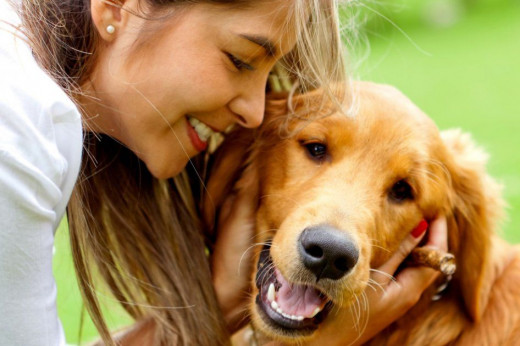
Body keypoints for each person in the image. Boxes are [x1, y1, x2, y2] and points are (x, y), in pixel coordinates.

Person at [0, 0, 448, 345]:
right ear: (118, 5)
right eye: (239, 59)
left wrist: (216, 305)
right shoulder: (15, 130)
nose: (256, 115)